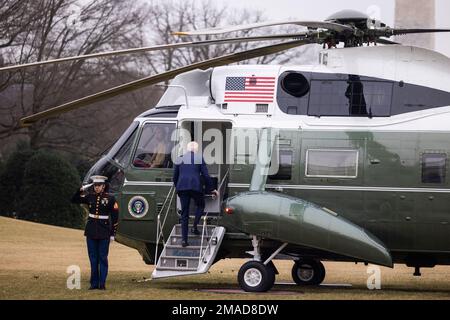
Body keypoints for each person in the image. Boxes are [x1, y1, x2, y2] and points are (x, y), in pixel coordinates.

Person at [71, 175, 119, 290]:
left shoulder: (111, 198)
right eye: (95, 185)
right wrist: (80, 190)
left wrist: (113, 233)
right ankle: (93, 284)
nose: (97, 187)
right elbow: (74, 200)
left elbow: (115, 218)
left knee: (102, 258)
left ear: (103, 186)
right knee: (93, 258)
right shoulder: (89, 197)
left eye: (99, 185)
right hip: (91, 231)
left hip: (104, 231)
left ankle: (102, 284)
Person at [173, 141, 219, 247]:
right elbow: (206, 176)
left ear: (187, 149)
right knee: (200, 204)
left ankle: (184, 240)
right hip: (195, 187)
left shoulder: (180, 158)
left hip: (182, 188)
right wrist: (212, 189)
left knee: (184, 214)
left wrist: (178, 187)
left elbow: (175, 176)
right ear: (196, 150)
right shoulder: (199, 158)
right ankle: (194, 226)